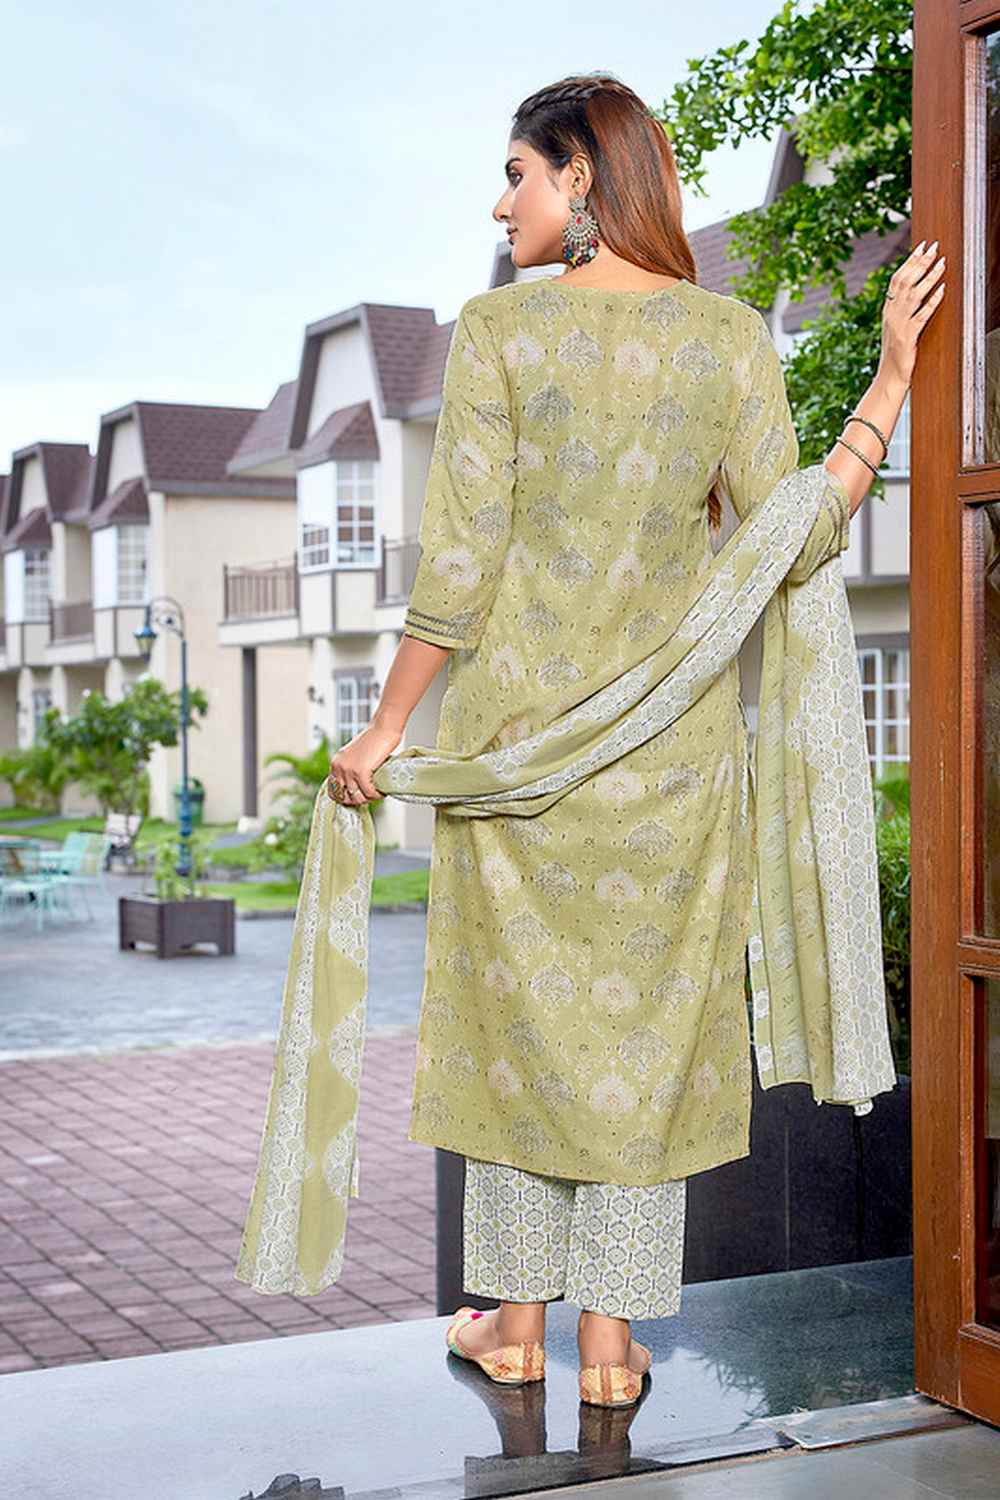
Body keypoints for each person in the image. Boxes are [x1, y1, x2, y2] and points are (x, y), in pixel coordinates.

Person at [259, 73, 944, 1408]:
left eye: (515, 172)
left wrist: (385, 729)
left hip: (516, 761)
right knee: (642, 1051)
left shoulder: (500, 333)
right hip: (669, 769)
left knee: (517, 1038)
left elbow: (460, 566)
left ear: (580, 174)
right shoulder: (730, 338)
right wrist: (891, 380)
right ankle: (614, 1347)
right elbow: (794, 534)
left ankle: (516, 1326)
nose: (498, 202)